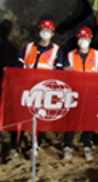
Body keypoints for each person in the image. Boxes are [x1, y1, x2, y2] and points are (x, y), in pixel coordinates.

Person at [9, 19, 64, 160]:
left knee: (40, 119)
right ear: (39, 31)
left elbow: (59, 72)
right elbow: (19, 65)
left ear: (52, 33)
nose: (45, 33)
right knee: (20, 119)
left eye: (48, 31)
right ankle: (14, 148)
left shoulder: (56, 51)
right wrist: (11, 73)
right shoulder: (28, 48)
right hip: (26, 89)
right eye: (43, 30)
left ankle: (35, 147)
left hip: (44, 91)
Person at [63, 27, 98, 161]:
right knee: (71, 120)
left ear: (90, 40)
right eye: (81, 38)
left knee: (88, 120)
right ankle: (67, 146)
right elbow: (64, 73)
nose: (83, 41)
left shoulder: (96, 55)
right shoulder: (70, 55)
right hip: (74, 93)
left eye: (86, 38)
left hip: (90, 93)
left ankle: (87, 146)